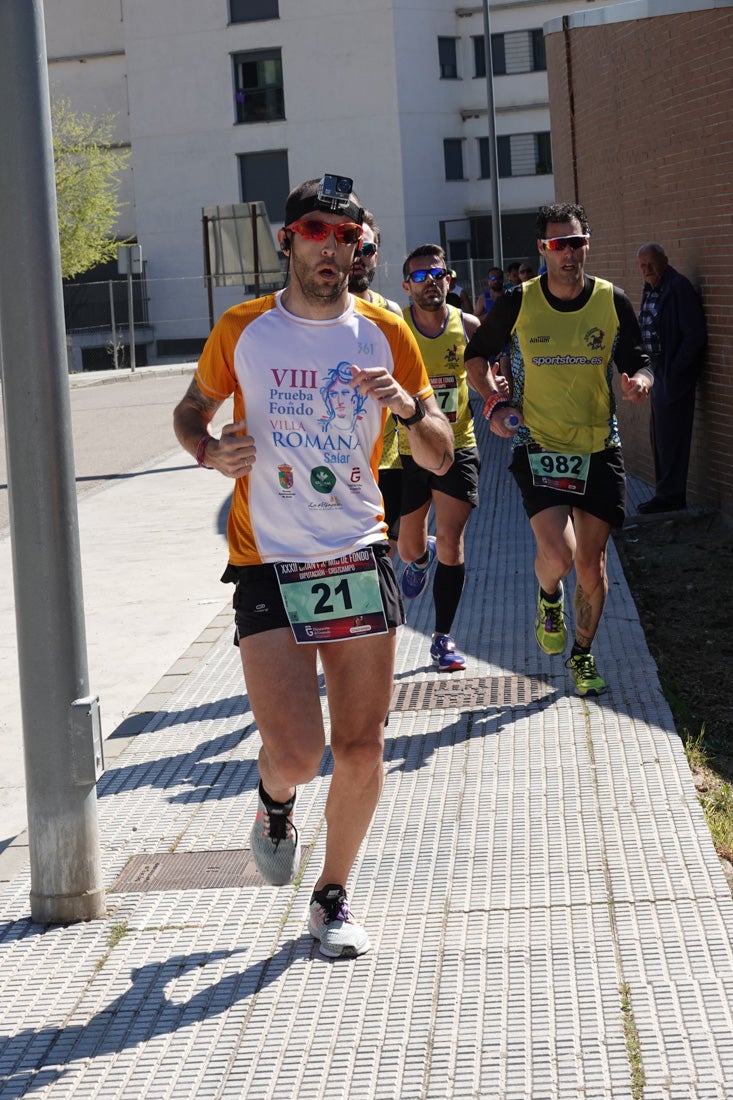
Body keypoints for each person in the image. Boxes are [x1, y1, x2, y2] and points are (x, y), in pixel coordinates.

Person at [173, 175, 453, 958]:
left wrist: (405, 406)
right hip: (266, 559)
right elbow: (192, 410)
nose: (333, 248)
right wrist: (207, 448)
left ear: (359, 249)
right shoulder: (243, 329)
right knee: (296, 752)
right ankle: (273, 797)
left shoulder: (385, 332)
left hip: (356, 550)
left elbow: (436, 449)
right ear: (286, 240)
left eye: (348, 237)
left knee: (361, 747)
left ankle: (331, 895)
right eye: (317, 231)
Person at [464, 202, 654, 697]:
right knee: (559, 553)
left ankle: (583, 654)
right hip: (538, 444)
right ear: (543, 250)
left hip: (598, 447)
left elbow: (638, 357)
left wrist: (640, 380)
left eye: (575, 242)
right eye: (556, 244)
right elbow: (476, 356)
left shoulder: (612, 301)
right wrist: (495, 400)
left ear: (587, 243)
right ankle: (549, 596)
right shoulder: (519, 301)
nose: (567, 253)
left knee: (592, 565)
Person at [398, 243, 483, 673]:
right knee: (407, 544)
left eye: (437, 274)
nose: (429, 282)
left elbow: (488, 375)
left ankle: (442, 637)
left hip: (458, 445)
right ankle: (418, 556)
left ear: (449, 280)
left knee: (453, 539)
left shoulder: (468, 326)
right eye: (419, 276)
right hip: (408, 451)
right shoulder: (395, 330)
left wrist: (498, 395)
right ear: (405, 285)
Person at [636, 242, 707, 514]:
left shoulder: (677, 287)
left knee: (672, 437)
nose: (647, 270)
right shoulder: (651, 287)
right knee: (660, 436)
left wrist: (675, 369)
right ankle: (664, 493)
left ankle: (671, 496)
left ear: (665, 260)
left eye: (651, 264)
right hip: (656, 371)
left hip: (673, 373)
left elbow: (695, 335)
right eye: (642, 265)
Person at [348, 212, 403, 556]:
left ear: (376, 254)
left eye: (366, 248)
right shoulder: (316, 315)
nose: (358, 257)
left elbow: (410, 386)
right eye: (352, 247)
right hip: (338, 457)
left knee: (388, 548)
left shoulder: (391, 313)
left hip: (387, 458)